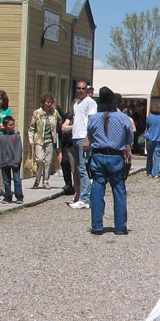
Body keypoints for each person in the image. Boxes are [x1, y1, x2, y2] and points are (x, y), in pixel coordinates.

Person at [83, 86, 133, 235]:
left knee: (97, 188)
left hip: (98, 155)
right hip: (116, 155)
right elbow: (129, 137)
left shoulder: (93, 118)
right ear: (115, 104)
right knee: (118, 190)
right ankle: (120, 227)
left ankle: (97, 225)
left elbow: (90, 137)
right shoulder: (123, 118)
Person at [68, 79, 97, 208]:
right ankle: (82, 196)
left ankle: (85, 198)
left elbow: (91, 122)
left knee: (83, 168)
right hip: (75, 137)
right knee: (79, 168)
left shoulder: (90, 103)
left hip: (83, 138)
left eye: (83, 88)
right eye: (79, 88)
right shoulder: (77, 104)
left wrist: (87, 138)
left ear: (87, 90)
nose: (80, 90)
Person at [27, 92, 60, 189]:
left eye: (50, 102)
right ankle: (37, 180)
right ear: (43, 102)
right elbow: (31, 128)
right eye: (47, 102)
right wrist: (31, 140)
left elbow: (60, 120)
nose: (49, 104)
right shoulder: (37, 113)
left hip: (50, 139)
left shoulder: (54, 113)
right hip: (39, 140)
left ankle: (46, 181)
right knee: (40, 159)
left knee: (48, 161)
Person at [0, 115, 24, 203]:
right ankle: (8, 196)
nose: (12, 126)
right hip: (4, 162)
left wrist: (17, 161)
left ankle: (19, 196)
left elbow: (19, 149)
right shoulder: (1, 137)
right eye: (10, 125)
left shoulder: (16, 136)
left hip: (14, 161)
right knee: (6, 180)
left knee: (16, 179)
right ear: (5, 125)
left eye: (13, 124)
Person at [144, 101, 160, 177]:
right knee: (157, 156)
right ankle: (156, 172)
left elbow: (147, 127)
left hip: (150, 138)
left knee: (149, 156)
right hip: (159, 138)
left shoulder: (149, 118)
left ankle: (149, 171)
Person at [57, 101, 75, 194]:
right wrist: (74, 127)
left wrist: (70, 128)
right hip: (67, 142)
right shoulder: (69, 116)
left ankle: (77, 186)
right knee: (65, 162)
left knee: (76, 166)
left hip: (77, 143)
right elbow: (64, 128)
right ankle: (68, 183)